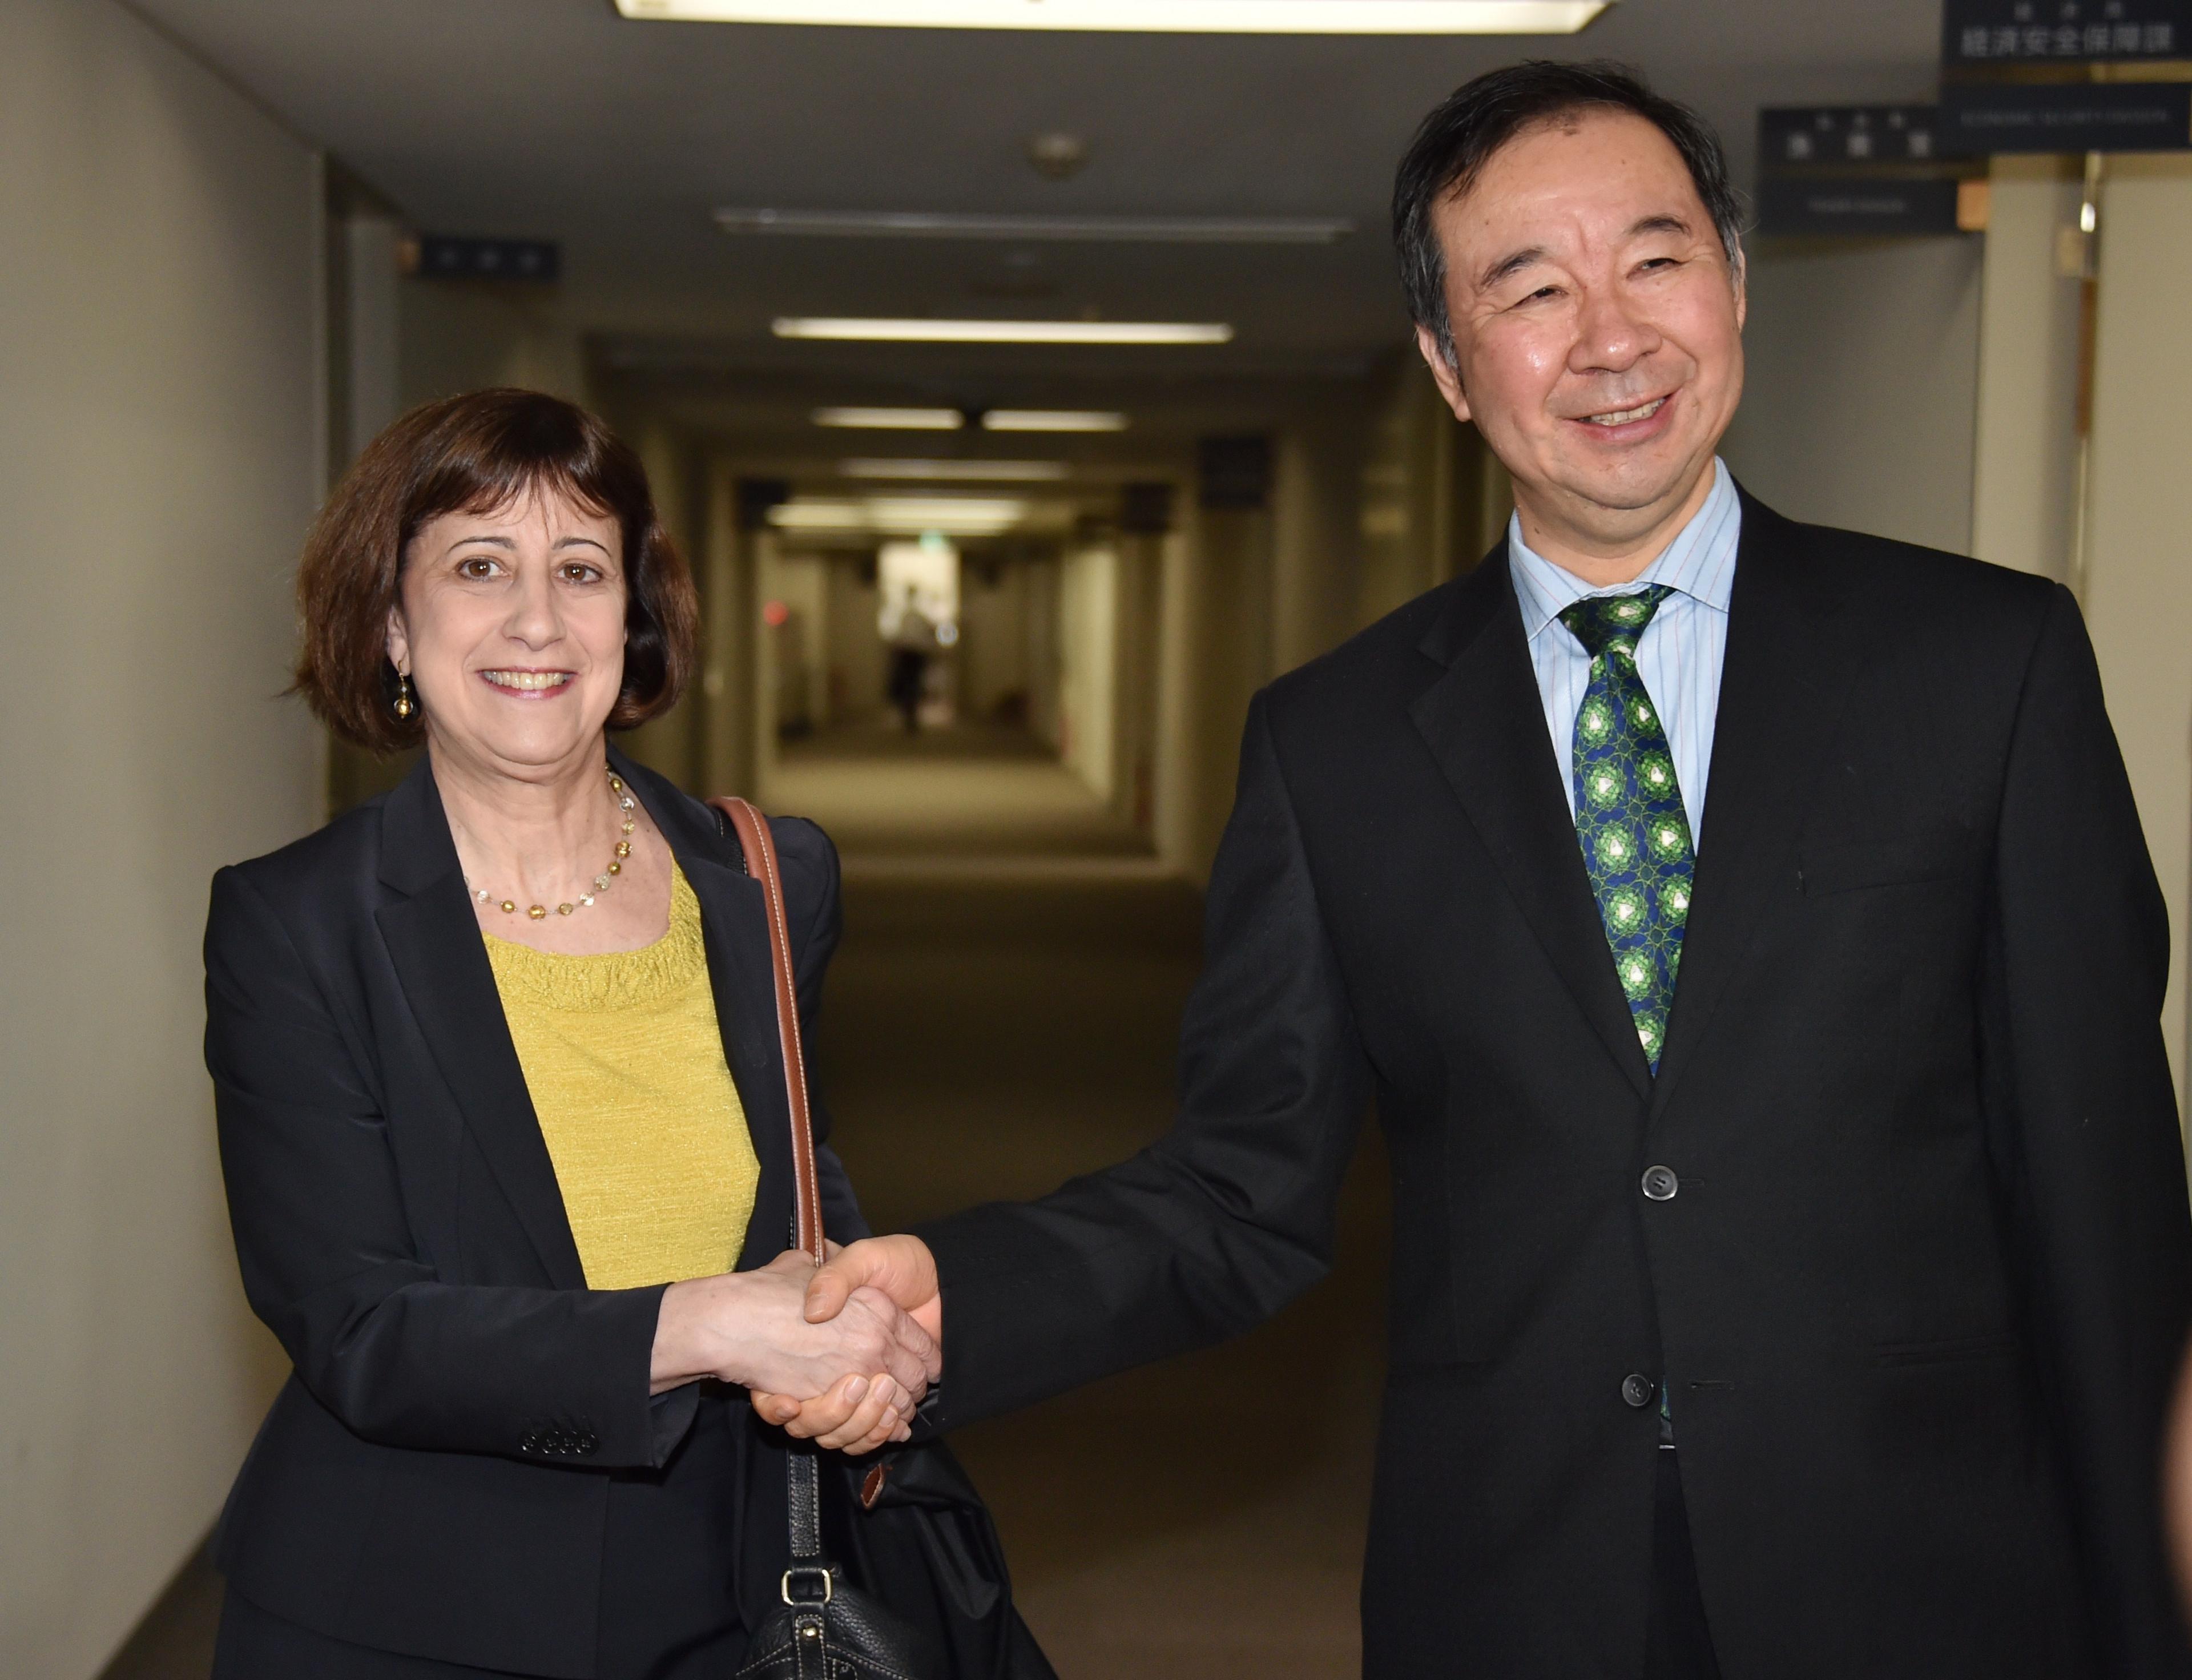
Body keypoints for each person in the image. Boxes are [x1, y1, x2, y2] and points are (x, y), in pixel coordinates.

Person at [760, 61, 2192, 1679]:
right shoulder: (1339, 744)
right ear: (1449, 364)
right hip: (1518, 1581)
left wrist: (2147, 1616)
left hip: (1923, 1577)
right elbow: (1240, 1188)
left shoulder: (1981, 668)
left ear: (1731, 286)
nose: (1611, 337)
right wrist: (959, 1296)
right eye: (1534, 289)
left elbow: (2104, 1203)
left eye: (1656, 259)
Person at [203, 388, 939, 1678]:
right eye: (479, 565)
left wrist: (863, 1340)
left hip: (727, 1587)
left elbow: (794, 1198)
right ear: (390, 622)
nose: (537, 619)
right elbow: (360, 1325)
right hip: (409, 1605)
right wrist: (707, 1322)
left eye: (582, 568)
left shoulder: (766, 881)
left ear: (632, 617)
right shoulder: (296, 923)